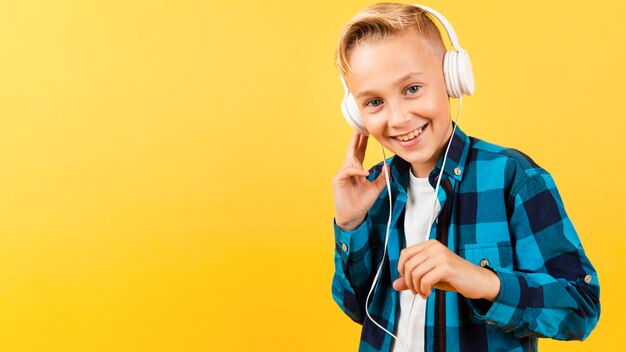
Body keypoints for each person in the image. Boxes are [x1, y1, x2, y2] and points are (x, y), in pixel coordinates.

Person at [330, 3, 600, 352]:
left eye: (412, 89)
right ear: (355, 112)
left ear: (452, 78)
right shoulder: (372, 190)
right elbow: (358, 309)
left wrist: (479, 280)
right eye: (374, 103)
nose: (397, 118)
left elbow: (581, 309)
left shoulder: (511, 177)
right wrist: (350, 224)